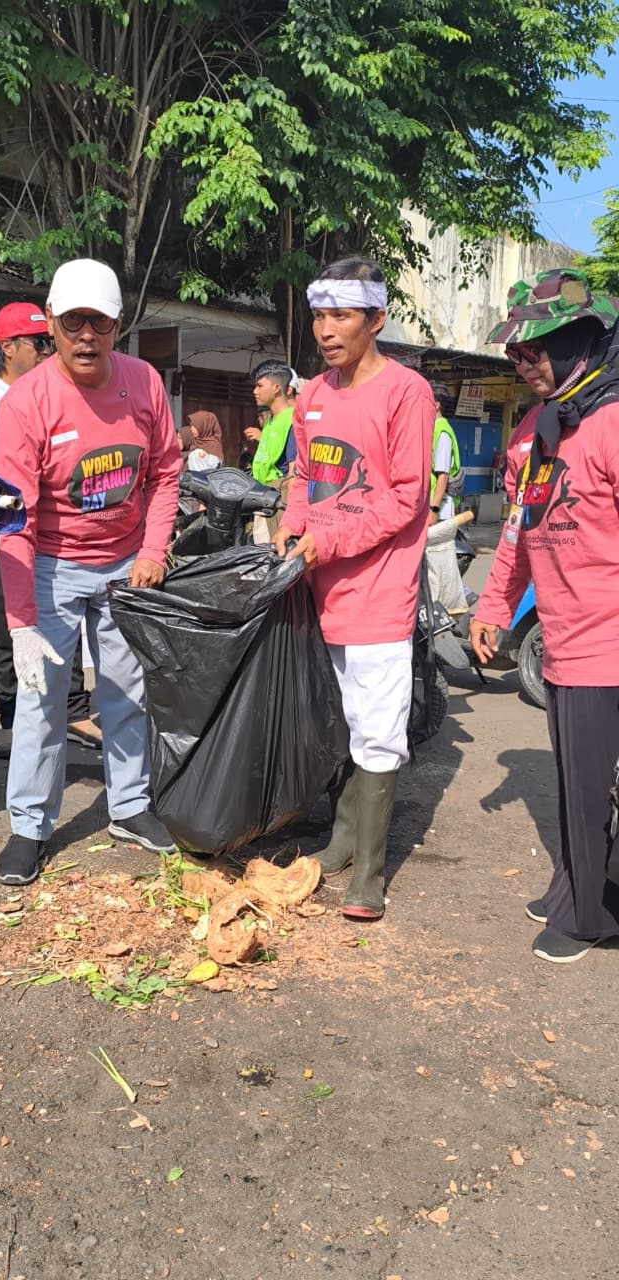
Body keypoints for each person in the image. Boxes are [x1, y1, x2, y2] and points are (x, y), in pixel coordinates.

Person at [0, 258, 181, 886]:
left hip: (125, 563)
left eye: (99, 323)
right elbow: (13, 517)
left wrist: (153, 550)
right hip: (51, 564)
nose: (86, 336)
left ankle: (129, 806)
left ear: (118, 326)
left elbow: (166, 473)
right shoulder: (27, 402)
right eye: (73, 322)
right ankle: (29, 826)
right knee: (41, 701)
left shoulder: (144, 382)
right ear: (50, 322)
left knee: (126, 692)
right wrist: (21, 621)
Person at [273, 255, 435, 920]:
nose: (325, 329)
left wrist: (329, 541)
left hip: (377, 590)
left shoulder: (406, 393)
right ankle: (341, 840)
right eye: (319, 315)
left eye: (340, 315)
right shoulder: (311, 394)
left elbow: (405, 498)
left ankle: (369, 871)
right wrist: (291, 526)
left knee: (377, 728)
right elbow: (303, 476)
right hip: (319, 587)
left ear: (376, 320)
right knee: (338, 719)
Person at [470, 266, 619, 964]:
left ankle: (587, 916)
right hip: (559, 636)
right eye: (515, 353)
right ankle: (577, 888)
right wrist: (493, 606)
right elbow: (517, 532)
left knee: (591, 789)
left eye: (535, 350)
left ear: (580, 342)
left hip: (607, 637)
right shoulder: (532, 432)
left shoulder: (612, 423)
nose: (523, 363)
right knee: (575, 785)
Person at [0, 302, 101, 759]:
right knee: (9, 630)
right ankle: (12, 718)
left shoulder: (57, 392)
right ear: (8, 347)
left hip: (55, 536)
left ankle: (73, 710)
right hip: (1, 540)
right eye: (39, 343)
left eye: (49, 342)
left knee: (64, 625)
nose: (47, 350)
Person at [245, 361, 296, 541]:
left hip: (278, 502)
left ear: (276, 388)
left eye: (260, 386)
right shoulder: (270, 422)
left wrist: (290, 516)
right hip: (263, 498)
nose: (255, 391)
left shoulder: (293, 419)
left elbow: (294, 470)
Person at [429, 384, 461, 522]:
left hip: (438, 511)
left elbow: (443, 475)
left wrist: (434, 510)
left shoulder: (442, 432)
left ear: (436, 405)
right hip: (428, 505)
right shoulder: (432, 429)